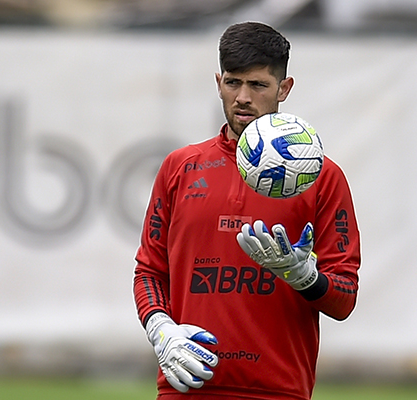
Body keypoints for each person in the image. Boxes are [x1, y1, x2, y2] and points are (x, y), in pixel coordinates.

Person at [133, 21, 360, 400]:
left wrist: (306, 278)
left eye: (258, 85)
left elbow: (345, 296)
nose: (242, 97)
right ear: (218, 81)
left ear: (283, 89)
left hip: (277, 391)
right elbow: (150, 271)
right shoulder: (180, 167)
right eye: (233, 82)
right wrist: (161, 330)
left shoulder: (321, 176)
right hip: (187, 385)